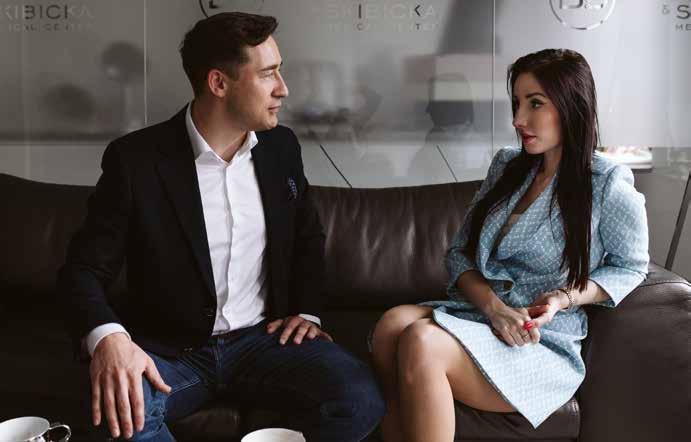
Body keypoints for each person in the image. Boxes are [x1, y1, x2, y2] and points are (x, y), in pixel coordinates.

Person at [59, 12, 384, 442]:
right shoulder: (136, 161)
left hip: (263, 343)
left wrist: (306, 310)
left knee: (360, 398)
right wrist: (110, 340)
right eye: (267, 74)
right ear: (218, 83)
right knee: (123, 412)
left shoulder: (281, 148)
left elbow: (307, 237)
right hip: (173, 353)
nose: (283, 88)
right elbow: (82, 271)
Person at [370, 48, 649, 441]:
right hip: (483, 313)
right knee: (391, 326)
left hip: (540, 339)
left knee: (420, 341)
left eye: (535, 103)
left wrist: (563, 298)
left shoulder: (606, 184)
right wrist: (494, 308)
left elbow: (630, 266)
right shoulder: (507, 166)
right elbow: (460, 253)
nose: (518, 119)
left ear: (571, 105)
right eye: (517, 103)